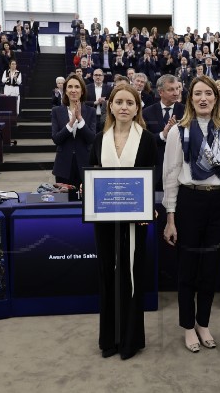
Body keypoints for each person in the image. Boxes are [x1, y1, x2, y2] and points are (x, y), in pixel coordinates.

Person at [163, 76, 220, 353]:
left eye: (208, 93)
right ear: (190, 98)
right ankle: (187, 326)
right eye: (198, 94)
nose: (203, 98)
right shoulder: (179, 131)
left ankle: (203, 323)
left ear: (216, 98)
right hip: (189, 202)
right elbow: (170, 176)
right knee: (187, 268)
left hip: (219, 203)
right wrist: (170, 217)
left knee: (210, 269)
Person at [88, 83, 158, 360]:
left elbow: (153, 180)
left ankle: (130, 339)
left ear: (137, 107)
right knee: (107, 273)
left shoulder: (148, 139)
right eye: (119, 102)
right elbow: (93, 177)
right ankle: (109, 339)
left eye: (130, 102)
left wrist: (149, 207)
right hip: (104, 220)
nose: (124, 107)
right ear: (111, 106)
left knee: (131, 274)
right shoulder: (98, 139)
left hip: (135, 219)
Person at [52, 73, 97, 188]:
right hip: (63, 166)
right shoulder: (57, 111)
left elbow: (91, 138)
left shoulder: (91, 111)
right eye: (70, 87)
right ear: (65, 90)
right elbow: (56, 139)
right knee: (64, 202)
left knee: (85, 202)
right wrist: (71, 122)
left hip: (85, 165)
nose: (73, 90)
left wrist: (80, 119)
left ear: (82, 91)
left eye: (77, 87)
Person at [142, 74, 184, 190]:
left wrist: (178, 133)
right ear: (160, 92)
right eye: (171, 90)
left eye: (177, 88)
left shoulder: (186, 112)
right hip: (155, 171)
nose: (176, 93)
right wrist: (163, 135)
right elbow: (144, 141)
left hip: (179, 171)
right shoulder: (147, 112)